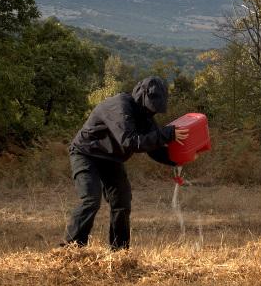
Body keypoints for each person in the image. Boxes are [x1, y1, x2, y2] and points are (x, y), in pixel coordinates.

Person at [62, 76, 189, 250]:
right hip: (86, 154)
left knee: (122, 202)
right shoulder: (120, 107)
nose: (153, 111)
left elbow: (153, 148)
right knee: (91, 200)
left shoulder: (145, 114)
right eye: (151, 106)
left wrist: (178, 159)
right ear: (141, 97)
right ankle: (72, 249)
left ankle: (120, 252)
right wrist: (167, 134)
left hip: (111, 159)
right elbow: (129, 142)